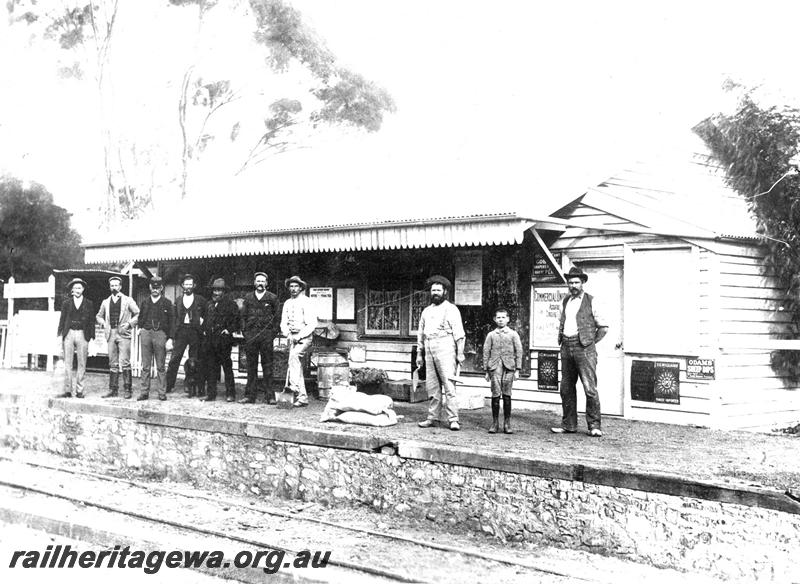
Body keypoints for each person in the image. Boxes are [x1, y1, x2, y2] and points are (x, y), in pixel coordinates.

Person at [551, 266, 609, 437]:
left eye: (576, 282)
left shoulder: (592, 301)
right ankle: (569, 425)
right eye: (570, 283)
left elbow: (603, 328)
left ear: (583, 283)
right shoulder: (564, 302)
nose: (573, 285)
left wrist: (589, 343)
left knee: (590, 388)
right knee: (566, 388)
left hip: (584, 348)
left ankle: (594, 426)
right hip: (566, 346)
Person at [416, 275, 465, 431]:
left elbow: (459, 334)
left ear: (445, 292)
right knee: (432, 386)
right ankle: (433, 417)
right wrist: (419, 353)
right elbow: (420, 334)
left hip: (446, 347)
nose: (435, 293)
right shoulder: (426, 311)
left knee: (449, 386)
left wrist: (460, 353)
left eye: (438, 290)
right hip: (429, 348)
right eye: (433, 290)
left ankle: (453, 419)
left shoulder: (451, 309)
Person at [239, 272, 281, 405]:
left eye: (263, 281)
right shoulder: (248, 297)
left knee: (267, 367)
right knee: (251, 367)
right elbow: (243, 317)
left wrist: (272, 334)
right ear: (254, 283)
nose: (260, 283)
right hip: (251, 337)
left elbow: (277, 319)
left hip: (266, 337)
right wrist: (246, 333)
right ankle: (249, 396)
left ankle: (270, 396)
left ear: (267, 283)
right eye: (258, 281)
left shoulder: (272, 298)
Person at [97, 276, 139, 399]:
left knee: (125, 362)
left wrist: (129, 324)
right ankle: (113, 390)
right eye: (112, 285)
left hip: (123, 334)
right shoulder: (105, 302)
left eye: (116, 285)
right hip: (111, 334)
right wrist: (103, 323)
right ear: (109, 287)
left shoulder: (128, 300)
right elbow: (98, 316)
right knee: (112, 363)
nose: (114, 287)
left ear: (120, 286)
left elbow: (138, 313)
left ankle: (127, 389)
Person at [483, 307, 523, 434]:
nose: (501, 320)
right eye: (498, 317)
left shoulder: (513, 334)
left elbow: (519, 351)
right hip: (494, 368)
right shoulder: (491, 335)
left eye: (503, 317)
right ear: (495, 319)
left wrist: (517, 369)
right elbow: (486, 352)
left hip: (509, 368)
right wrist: (486, 370)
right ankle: (495, 423)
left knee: (507, 395)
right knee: (495, 395)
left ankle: (507, 423)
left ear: (508, 319)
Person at [279, 275, 317, 408]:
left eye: (296, 286)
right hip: (292, 338)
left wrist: (299, 336)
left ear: (301, 288)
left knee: (294, 357)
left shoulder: (307, 302)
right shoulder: (287, 303)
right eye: (291, 286)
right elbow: (283, 323)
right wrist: (288, 334)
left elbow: (312, 324)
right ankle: (303, 398)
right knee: (296, 366)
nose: (293, 289)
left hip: (304, 338)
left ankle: (293, 386)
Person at [166, 274, 207, 395]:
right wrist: (172, 336)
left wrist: (202, 324)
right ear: (182, 285)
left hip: (195, 332)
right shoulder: (178, 301)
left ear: (194, 286)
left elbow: (206, 315)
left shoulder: (201, 300)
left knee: (193, 360)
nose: (188, 287)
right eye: (186, 284)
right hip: (181, 332)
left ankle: (190, 384)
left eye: (190, 284)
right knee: (175, 358)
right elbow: (174, 319)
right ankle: (169, 385)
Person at [201, 278, 240, 402]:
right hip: (210, 340)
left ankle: (230, 394)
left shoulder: (231, 304)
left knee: (227, 367)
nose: (216, 293)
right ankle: (211, 394)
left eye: (219, 290)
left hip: (223, 341)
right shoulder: (209, 304)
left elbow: (237, 321)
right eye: (215, 290)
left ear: (224, 292)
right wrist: (204, 330)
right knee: (211, 367)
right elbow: (205, 320)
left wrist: (229, 330)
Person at [136, 276, 175, 401]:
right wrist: (141, 328)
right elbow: (141, 317)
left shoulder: (167, 303)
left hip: (160, 334)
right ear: (150, 287)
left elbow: (172, 322)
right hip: (146, 333)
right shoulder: (145, 302)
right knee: (145, 366)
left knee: (161, 366)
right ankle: (144, 392)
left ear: (161, 288)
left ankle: (162, 393)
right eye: (153, 287)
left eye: (158, 288)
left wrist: (170, 338)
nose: (155, 290)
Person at [56, 278, 95, 398]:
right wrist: (59, 335)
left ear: (83, 289)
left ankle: (79, 390)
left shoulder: (89, 303)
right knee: (68, 363)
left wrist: (92, 338)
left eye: (79, 288)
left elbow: (91, 322)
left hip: (83, 334)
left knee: (82, 363)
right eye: (75, 288)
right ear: (72, 289)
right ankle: (68, 390)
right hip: (69, 333)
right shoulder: (66, 303)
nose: (77, 290)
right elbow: (62, 320)